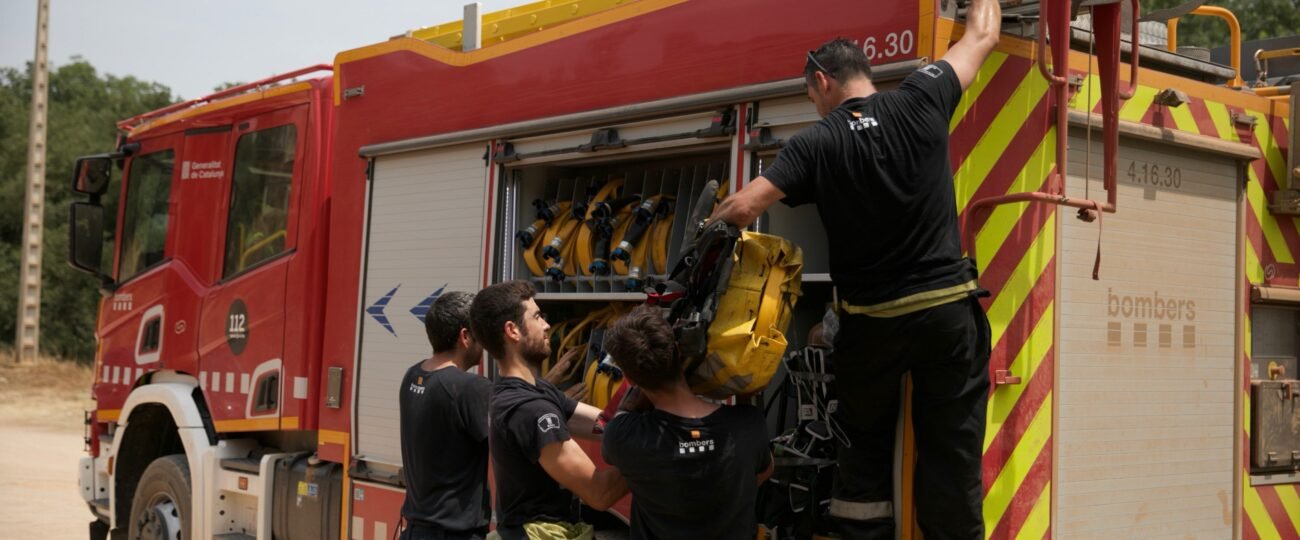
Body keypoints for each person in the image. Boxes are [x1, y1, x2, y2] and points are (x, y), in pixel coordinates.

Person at [708, 1, 1002, 537]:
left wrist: (706, 233)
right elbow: (982, 35)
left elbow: (745, 207)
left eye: (809, 95)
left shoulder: (818, 141)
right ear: (863, 71)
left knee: (862, 454)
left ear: (822, 81)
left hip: (872, 328)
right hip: (945, 316)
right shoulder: (924, 94)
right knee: (952, 455)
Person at [469, 281, 628, 540]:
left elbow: (602, 424)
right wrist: (650, 448)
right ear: (512, 331)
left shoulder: (535, 390)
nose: (546, 325)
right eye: (537, 316)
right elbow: (600, 493)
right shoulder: (528, 409)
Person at [600, 305, 773, 539]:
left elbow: (624, 413)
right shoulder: (747, 425)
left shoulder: (624, 436)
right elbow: (764, 470)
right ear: (680, 354)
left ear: (629, 379)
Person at [398, 291, 492, 540]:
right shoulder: (469, 387)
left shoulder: (412, 376)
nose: (484, 343)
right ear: (465, 336)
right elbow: (515, 429)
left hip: (417, 532)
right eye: (480, 334)